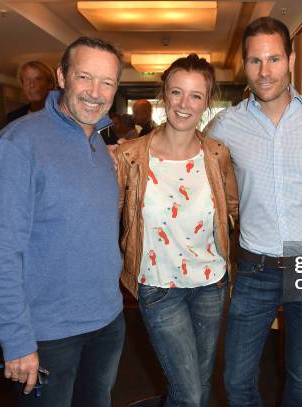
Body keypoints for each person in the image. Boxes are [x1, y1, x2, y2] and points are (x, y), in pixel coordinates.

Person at [0, 37, 125, 407]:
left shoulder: (103, 148)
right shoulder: (19, 142)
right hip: (45, 336)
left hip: (107, 323)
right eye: (85, 77)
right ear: (62, 76)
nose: (95, 92)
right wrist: (16, 340)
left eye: (107, 82)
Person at [206, 17, 302, 406]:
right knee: (236, 378)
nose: (265, 72)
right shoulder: (225, 125)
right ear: (245, 65)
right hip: (254, 267)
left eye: (274, 59)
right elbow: (191, 167)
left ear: (291, 60)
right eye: (255, 61)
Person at [116, 54, 238, 407]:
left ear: (207, 102)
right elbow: (115, 213)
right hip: (158, 285)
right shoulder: (130, 156)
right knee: (189, 393)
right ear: (164, 95)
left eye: (196, 96)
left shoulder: (217, 155)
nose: (185, 104)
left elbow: (230, 207)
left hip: (211, 285)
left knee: (197, 384)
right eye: (176, 93)